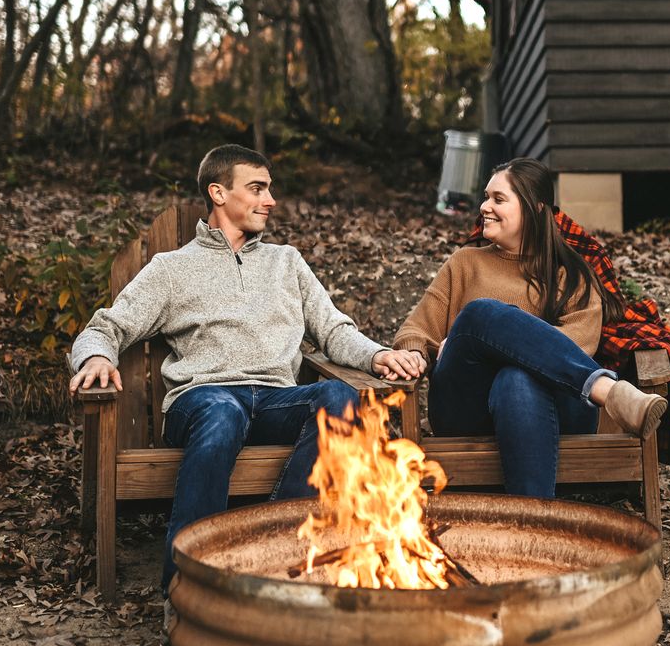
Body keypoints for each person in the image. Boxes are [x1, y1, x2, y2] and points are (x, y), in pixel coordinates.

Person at [68, 144, 426, 593]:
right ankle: (185, 587)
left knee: (341, 399)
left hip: (275, 399)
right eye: (257, 188)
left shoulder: (286, 263)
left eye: (270, 189)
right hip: (203, 402)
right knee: (224, 412)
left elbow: (333, 330)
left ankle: (271, 551)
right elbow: (107, 327)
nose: (270, 200)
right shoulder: (172, 269)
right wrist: (96, 356)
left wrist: (376, 355)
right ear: (218, 193)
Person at [393, 157, 665, 497]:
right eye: (486, 197)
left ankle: (532, 526)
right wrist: (419, 354)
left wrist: (489, 344)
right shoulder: (465, 263)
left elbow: (579, 346)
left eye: (498, 199)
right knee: (478, 316)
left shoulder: (569, 273)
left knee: (516, 378)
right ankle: (609, 392)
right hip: (466, 410)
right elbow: (413, 333)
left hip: (560, 412)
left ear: (534, 209)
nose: (484, 207)